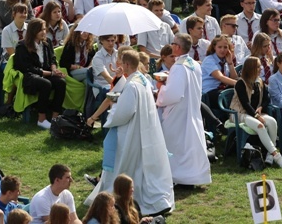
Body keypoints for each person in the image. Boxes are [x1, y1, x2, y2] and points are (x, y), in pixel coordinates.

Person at [89, 50, 174, 216]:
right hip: (146, 131)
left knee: (127, 167)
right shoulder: (142, 80)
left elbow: (124, 112)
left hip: (131, 134)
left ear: (127, 64)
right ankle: (152, 201)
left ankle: (125, 201)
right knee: (143, 169)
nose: (120, 66)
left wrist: (113, 111)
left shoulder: (132, 85)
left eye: (121, 63)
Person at [156, 33, 212, 187]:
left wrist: (161, 88)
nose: (172, 45)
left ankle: (179, 177)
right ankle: (192, 177)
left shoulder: (179, 67)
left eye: (173, 43)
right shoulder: (194, 64)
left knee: (176, 145)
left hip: (178, 112)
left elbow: (174, 94)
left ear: (178, 47)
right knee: (191, 145)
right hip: (192, 108)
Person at [231, 57, 282, 168]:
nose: (260, 68)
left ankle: (269, 156)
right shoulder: (240, 83)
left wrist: (261, 107)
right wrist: (256, 116)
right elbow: (245, 104)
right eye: (258, 66)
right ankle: (276, 155)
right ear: (250, 68)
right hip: (240, 113)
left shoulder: (259, 81)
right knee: (260, 125)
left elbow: (266, 98)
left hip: (255, 112)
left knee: (272, 121)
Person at [14, 19, 65, 130]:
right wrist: (49, 73)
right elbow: (27, 67)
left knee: (61, 82)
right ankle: (41, 119)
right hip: (30, 76)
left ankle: (55, 117)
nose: (44, 32)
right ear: (33, 31)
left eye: (44, 29)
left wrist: (54, 69)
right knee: (45, 84)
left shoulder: (47, 43)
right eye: (40, 30)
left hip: (46, 72)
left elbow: (52, 58)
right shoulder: (22, 46)